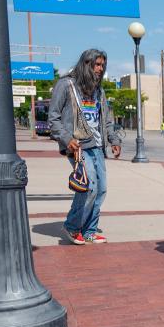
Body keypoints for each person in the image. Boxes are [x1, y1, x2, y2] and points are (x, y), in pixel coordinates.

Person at [48, 49, 122, 245]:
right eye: (96, 65)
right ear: (86, 64)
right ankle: (72, 226)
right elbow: (53, 119)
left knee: (102, 189)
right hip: (78, 146)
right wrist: (66, 139)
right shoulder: (66, 85)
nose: (100, 69)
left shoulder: (99, 90)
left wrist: (114, 140)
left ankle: (89, 230)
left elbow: (106, 119)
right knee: (89, 187)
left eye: (102, 65)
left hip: (97, 146)